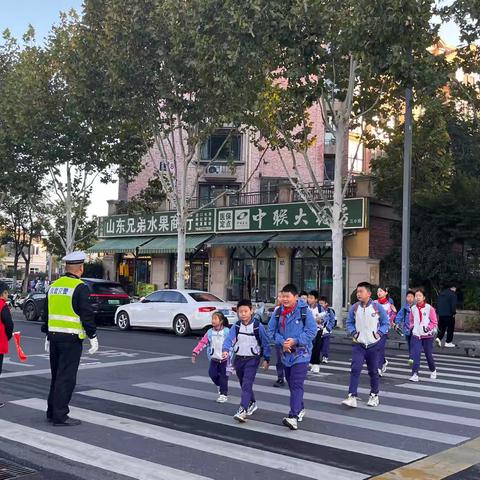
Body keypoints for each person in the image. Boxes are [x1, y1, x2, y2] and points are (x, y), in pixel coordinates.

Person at [41, 251, 99, 426]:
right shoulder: (80, 287)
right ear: (81, 268)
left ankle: (51, 411)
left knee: (56, 376)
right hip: (71, 339)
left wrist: (47, 334)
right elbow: (86, 314)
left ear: (66, 268)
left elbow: (47, 312)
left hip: (54, 338)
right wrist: (93, 336)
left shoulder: (53, 286)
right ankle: (60, 415)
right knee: (66, 378)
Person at [268, 284, 316, 430]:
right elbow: (270, 332)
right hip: (285, 355)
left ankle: (293, 416)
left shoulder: (304, 312)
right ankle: (300, 408)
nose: (284, 299)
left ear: (295, 297)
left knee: (296, 383)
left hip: (301, 355)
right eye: (282, 296)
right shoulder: (277, 313)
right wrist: (282, 342)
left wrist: (295, 341)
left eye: (287, 296)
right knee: (292, 384)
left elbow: (311, 331)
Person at [342, 282, 389, 408]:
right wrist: (354, 333)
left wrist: (378, 334)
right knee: (355, 369)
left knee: (373, 371)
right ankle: (352, 396)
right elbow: (349, 322)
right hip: (359, 344)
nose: (358, 294)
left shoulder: (377, 307)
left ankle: (374, 395)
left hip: (373, 345)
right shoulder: (355, 307)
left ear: (368, 293)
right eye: (357, 292)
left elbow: (386, 323)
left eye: (361, 291)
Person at [222, 299, 270, 423]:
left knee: (247, 383)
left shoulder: (257, 326)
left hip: (252, 359)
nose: (243, 314)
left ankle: (242, 409)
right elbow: (229, 339)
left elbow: (265, 342)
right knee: (244, 384)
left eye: (245, 311)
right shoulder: (236, 326)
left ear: (251, 311)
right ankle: (252, 402)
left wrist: (266, 358)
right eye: (240, 311)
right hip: (239, 359)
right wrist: (225, 349)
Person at [192, 312, 230, 403]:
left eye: (215, 319)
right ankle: (220, 386)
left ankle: (223, 394)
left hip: (225, 359)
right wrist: (195, 352)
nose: (213, 321)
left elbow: (233, 341)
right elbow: (202, 343)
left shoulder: (226, 331)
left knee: (224, 377)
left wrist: (230, 352)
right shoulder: (209, 332)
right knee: (212, 374)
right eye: (212, 319)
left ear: (221, 321)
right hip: (214, 358)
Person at [409, 288, 437, 382]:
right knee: (415, 355)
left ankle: (433, 370)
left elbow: (434, 322)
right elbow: (411, 320)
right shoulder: (413, 308)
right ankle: (415, 374)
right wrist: (412, 326)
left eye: (419, 296)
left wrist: (428, 328)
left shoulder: (429, 308)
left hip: (427, 336)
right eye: (416, 296)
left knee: (428, 355)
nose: (417, 298)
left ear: (424, 297)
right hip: (416, 335)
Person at [308, 291, 336, 373]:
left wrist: (320, 320)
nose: (309, 299)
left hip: (318, 330)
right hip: (308, 331)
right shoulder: (306, 308)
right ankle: (310, 362)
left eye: (311, 298)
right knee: (309, 348)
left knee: (317, 348)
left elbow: (325, 318)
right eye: (308, 298)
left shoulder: (320, 308)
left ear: (315, 299)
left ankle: (316, 364)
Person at [374, 287, 397, 377]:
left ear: (386, 293)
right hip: (374, 329)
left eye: (381, 291)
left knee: (380, 348)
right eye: (378, 291)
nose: (379, 293)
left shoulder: (389, 305)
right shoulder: (374, 303)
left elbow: (391, 317)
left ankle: (378, 368)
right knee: (375, 349)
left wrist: (394, 314)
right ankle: (383, 361)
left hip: (383, 330)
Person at [0, 281, 14, 408]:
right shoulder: (2, 306)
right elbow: (9, 325)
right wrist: (7, 336)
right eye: (6, 292)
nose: (7, 295)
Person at [395, 290, 415, 366]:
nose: (410, 298)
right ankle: (411, 357)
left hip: (415, 330)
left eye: (411, 297)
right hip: (407, 330)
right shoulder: (404, 308)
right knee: (410, 344)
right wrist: (397, 323)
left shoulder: (416, 308)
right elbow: (399, 316)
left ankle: (412, 358)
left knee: (413, 344)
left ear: (414, 299)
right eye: (408, 297)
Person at [271, 293, 285, 387]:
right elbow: (272, 326)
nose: (280, 299)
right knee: (279, 360)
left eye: (282, 296)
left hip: (291, 340)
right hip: (279, 340)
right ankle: (280, 377)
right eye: (279, 297)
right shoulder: (277, 310)